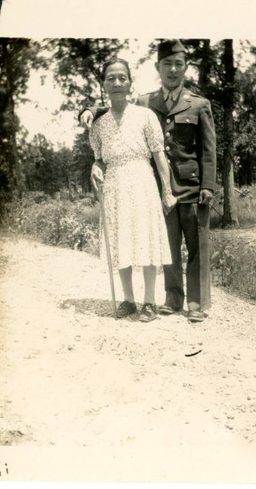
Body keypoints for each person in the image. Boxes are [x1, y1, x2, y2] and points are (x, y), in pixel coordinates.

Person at [87, 40, 216, 323]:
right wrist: (88, 111)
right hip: (154, 187)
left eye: (178, 64)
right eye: (166, 64)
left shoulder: (199, 104)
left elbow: (208, 149)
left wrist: (208, 185)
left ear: (185, 68)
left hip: (190, 185)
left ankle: (195, 302)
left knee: (195, 245)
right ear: (158, 68)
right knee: (166, 244)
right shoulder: (147, 101)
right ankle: (171, 299)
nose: (172, 70)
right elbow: (110, 107)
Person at [89, 57, 176, 323]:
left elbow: (160, 156)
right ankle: (128, 300)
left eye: (122, 78)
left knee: (146, 240)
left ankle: (149, 301)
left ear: (130, 82)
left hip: (142, 180)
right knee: (120, 242)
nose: (117, 83)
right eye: (110, 78)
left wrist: (167, 191)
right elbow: (99, 157)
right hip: (114, 184)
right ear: (104, 84)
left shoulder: (145, 115)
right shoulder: (99, 124)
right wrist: (95, 165)